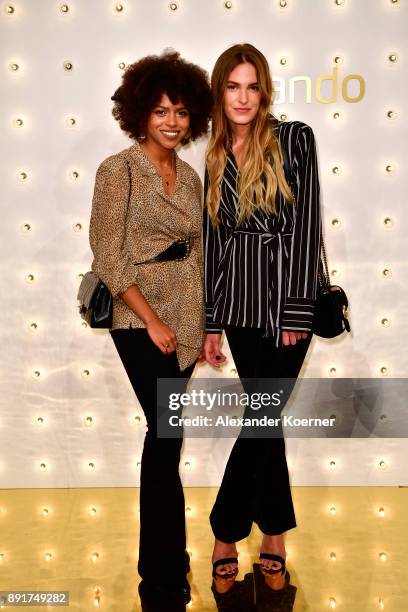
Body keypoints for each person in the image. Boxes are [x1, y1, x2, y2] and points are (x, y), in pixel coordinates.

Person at [88, 50, 212, 606]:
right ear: (139, 112)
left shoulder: (188, 176)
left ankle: (169, 567)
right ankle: (159, 578)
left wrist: (205, 325)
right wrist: (153, 320)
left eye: (182, 112)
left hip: (186, 319)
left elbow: (202, 254)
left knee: (168, 439)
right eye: (161, 110)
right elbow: (108, 257)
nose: (172, 121)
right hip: (140, 321)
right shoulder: (118, 170)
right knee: (164, 437)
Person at [202, 43, 321, 597]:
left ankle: (227, 535)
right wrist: (210, 321)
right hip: (241, 312)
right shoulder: (216, 153)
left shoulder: (294, 137)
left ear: (264, 89)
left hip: (286, 308)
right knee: (264, 421)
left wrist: (299, 306)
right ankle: (273, 535)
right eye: (233, 86)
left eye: (251, 86)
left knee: (262, 417)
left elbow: (306, 224)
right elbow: (213, 243)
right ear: (220, 91)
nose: (243, 98)